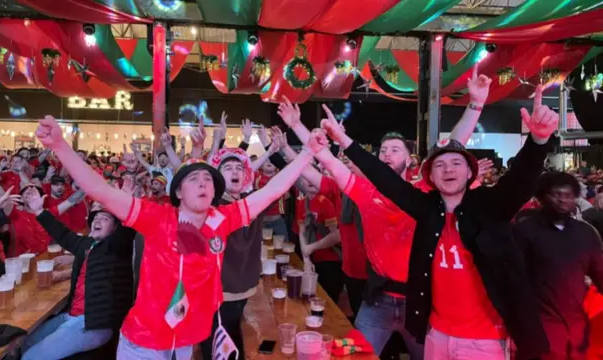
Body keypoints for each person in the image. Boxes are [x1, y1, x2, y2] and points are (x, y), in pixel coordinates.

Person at [34, 115, 322, 359]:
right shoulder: (157, 218)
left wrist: (308, 153)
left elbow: (272, 191)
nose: (203, 183)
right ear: (179, 192)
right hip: (142, 344)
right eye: (193, 179)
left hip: (185, 344)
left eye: (208, 179)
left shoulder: (222, 219)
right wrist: (60, 146)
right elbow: (101, 191)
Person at [320, 84, 557, 359]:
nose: (448, 170)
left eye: (456, 163)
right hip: (435, 334)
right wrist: (344, 141)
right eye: (440, 166)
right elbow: (383, 179)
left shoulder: (490, 208)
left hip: (483, 339)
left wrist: (538, 141)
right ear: (430, 177)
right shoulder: (427, 209)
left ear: (470, 172)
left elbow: (521, 181)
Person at [280, 66, 491, 358]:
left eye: (394, 150)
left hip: (421, 300)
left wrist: (475, 104)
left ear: (411, 160)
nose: (386, 154)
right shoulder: (366, 194)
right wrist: (297, 126)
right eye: (382, 150)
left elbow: (454, 146)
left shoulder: (425, 195)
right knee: (356, 355)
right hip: (377, 301)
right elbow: (326, 158)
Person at [20, 190, 136, 360]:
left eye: (105, 219)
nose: (97, 220)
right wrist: (39, 211)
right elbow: (63, 234)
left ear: (115, 229)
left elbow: (127, 231)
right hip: (70, 317)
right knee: (26, 343)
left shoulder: (117, 247)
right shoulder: (87, 245)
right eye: (95, 218)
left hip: (93, 324)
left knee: (30, 358)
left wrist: (124, 203)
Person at [513, 171, 603, 360]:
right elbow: (513, 279)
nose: (563, 200)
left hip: (576, 323)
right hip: (538, 325)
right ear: (542, 198)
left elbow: (599, 272)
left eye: (568, 195)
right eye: (556, 195)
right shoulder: (524, 230)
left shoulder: (586, 233)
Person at [200, 147, 262, 360]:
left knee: (237, 344)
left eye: (239, 168)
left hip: (244, 293)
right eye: (228, 168)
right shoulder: (210, 207)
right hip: (216, 298)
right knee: (217, 351)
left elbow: (281, 185)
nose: (235, 172)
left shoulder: (251, 203)